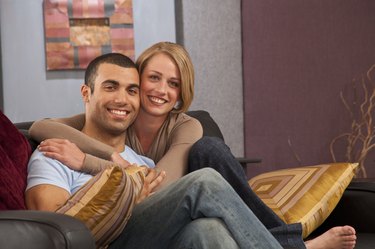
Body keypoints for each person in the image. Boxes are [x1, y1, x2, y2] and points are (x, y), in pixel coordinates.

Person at [29, 42, 357, 249]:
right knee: (204, 183)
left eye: (128, 90)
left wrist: (102, 162)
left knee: (208, 227)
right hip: (114, 236)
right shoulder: (57, 149)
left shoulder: (171, 134)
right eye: (112, 87)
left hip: (155, 224)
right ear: (88, 94)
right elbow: (41, 130)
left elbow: (157, 185)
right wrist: (110, 167)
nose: (123, 99)